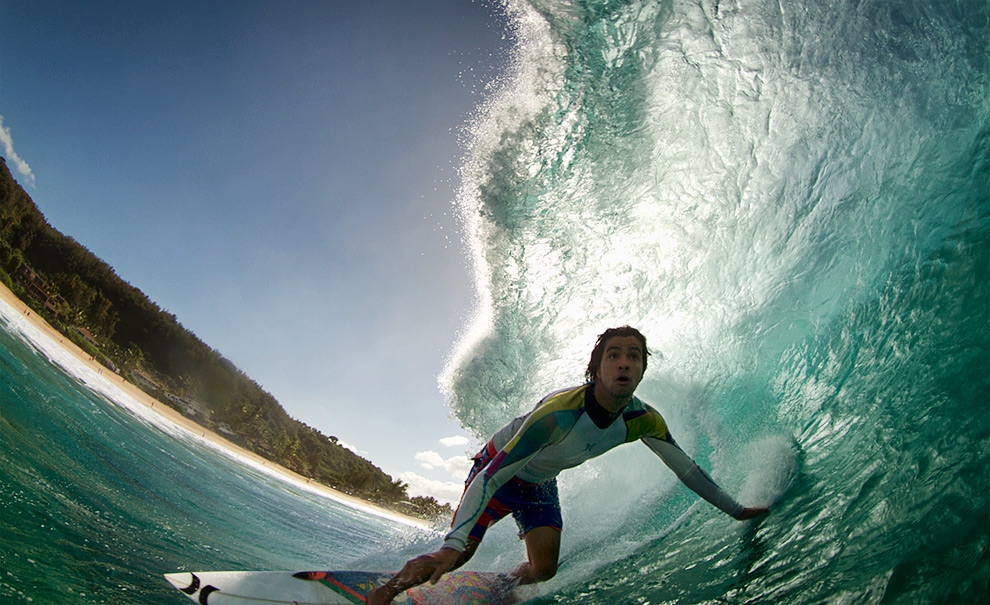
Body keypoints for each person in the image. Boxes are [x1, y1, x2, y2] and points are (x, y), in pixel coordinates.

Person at [368, 326, 768, 604]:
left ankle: (504, 586)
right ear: (596, 368)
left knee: (544, 570)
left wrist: (737, 511)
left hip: (541, 483)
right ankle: (386, 592)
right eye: (614, 356)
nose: (624, 363)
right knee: (459, 556)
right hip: (501, 469)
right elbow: (491, 476)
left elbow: (688, 471)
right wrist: (451, 546)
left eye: (634, 357)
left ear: (644, 369)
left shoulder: (643, 420)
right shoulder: (559, 414)